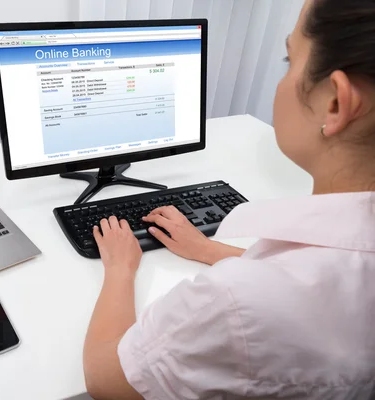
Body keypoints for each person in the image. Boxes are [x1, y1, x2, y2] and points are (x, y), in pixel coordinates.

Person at [82, 0, 375, 398]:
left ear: (335, 102)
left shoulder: (236, 301)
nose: (282, 77)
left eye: (289, 60)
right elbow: (324, 285)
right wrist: (208, 248)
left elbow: (107, 379)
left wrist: (120, 268)